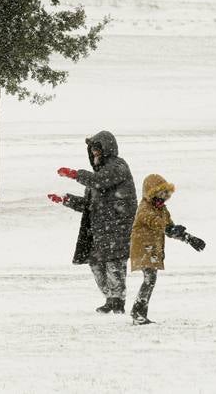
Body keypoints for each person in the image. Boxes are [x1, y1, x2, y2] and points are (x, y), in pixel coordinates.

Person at [49, 130, 138, 314]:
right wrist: (65, 199)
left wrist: (75, 174)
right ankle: (110, 298)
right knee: (96, 263)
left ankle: (118, 301)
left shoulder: (118, 166)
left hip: (117, 228)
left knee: (114, 265)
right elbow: (89, 205)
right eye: (92, 151)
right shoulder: (96, 178)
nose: (95, 154)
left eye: (98, 150)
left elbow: (101, 181)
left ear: (107, 149)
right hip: (100, 231)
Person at [128, 173, 206, 325]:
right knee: (149, 279)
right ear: (152, 192)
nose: (164, 196)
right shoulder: (144, 208)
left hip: (153, 248)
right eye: (161, 192)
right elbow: (157, 223)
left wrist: (189, 238)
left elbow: (170, 227)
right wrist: (169, 229)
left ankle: (139, 312)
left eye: (166, 193)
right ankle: (137, 312)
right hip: (144, 248)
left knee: (150, 280)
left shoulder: (162, 209)